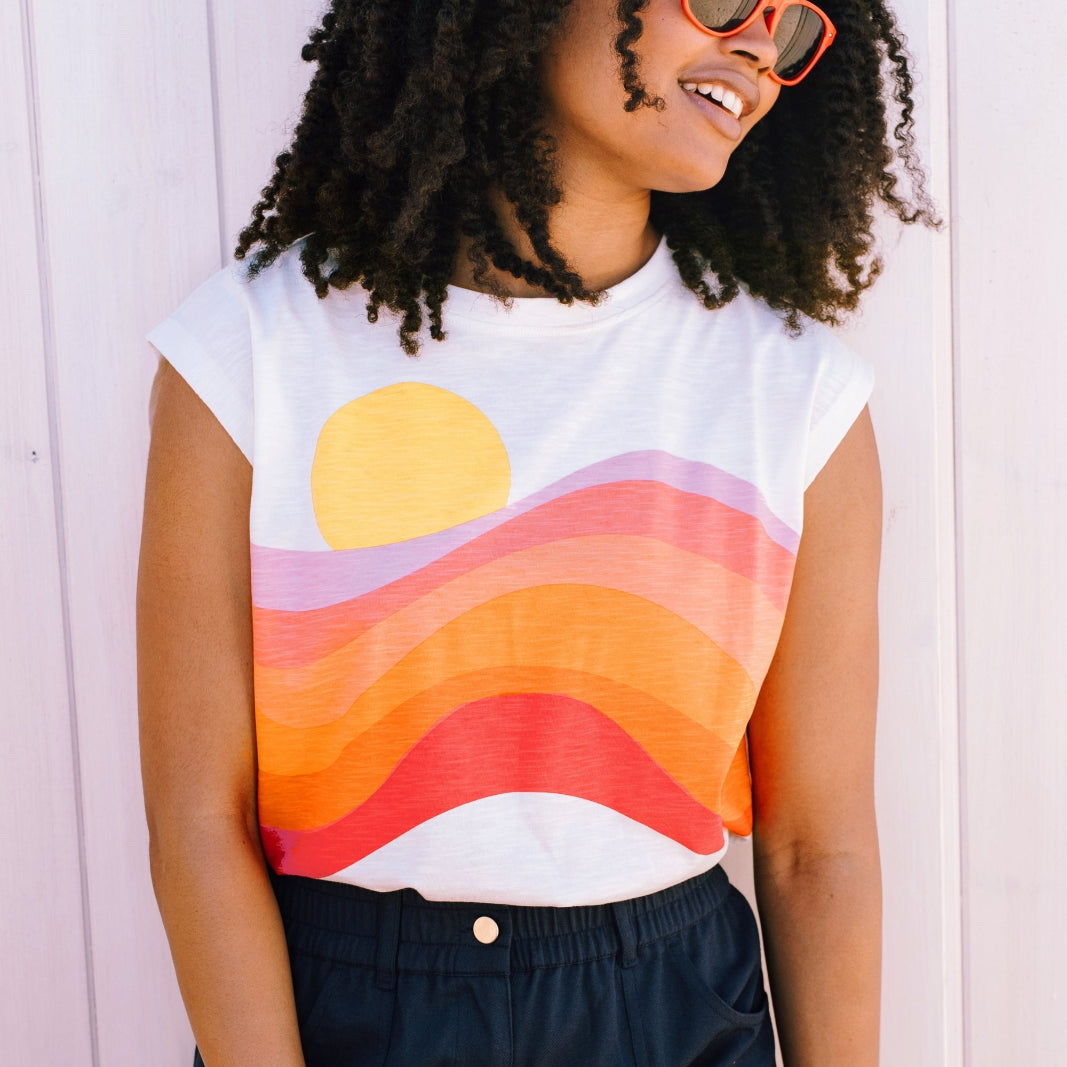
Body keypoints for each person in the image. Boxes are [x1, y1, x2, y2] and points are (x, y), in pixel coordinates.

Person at [137, 0, 936, 1063]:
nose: (755, 45)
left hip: (673, 1009)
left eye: (789, 29)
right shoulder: (249, 354)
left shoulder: (793, 396)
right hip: (342, 1014)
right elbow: (200, 823)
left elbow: (812, 849)